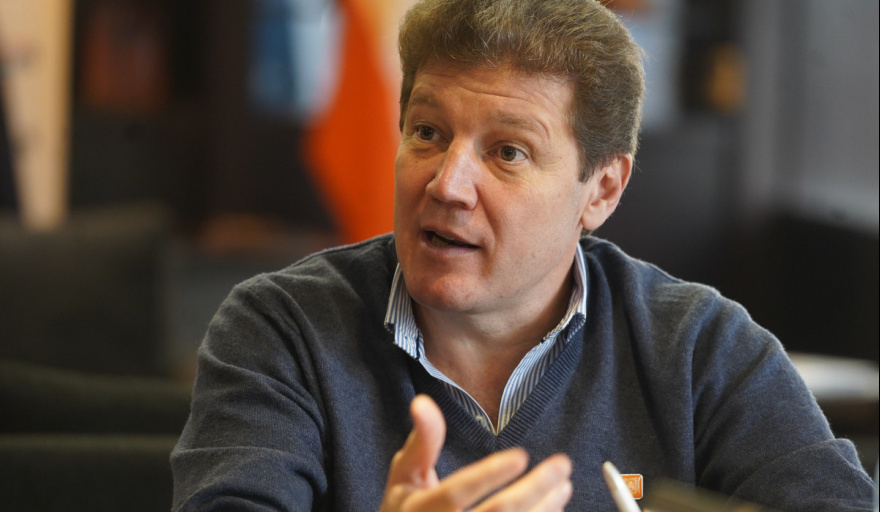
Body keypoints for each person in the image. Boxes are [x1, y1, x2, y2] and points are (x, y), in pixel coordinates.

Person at [170, 0, 876, 510]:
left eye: (508, 152)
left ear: (601, 190)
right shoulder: (280, 331)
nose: (446, 184)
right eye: (427, 132)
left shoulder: (698, 348)